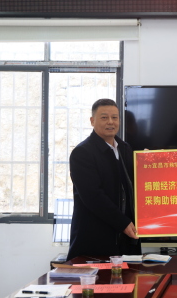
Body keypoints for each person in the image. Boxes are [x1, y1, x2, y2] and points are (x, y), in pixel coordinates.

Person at [67, 98, 141, 259]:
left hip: (126, 239)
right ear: (92, 121)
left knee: (131, 275)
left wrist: (148, 164)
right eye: (104, 117)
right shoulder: (82, 153)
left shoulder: (125, 149)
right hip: (96, 239)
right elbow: (93, 196)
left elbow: (135, 185)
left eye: (114, 117)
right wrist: (123, 223)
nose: (110, 122)